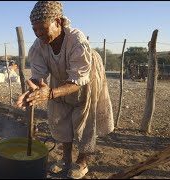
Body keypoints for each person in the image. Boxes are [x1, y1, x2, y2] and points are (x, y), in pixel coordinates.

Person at [16, 1, 114, 179]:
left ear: (58, 22)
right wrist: (34, 91)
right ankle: (66, 159)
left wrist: (51, 93)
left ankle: (82, 162)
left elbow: (78, 80)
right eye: (34, 30)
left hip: (86, 78)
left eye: (43, 29)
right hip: (59, 80)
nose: (39, 34)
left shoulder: (76, 41)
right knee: (59, 116)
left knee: (84, 118)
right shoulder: (38, 46)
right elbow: (39, 77)